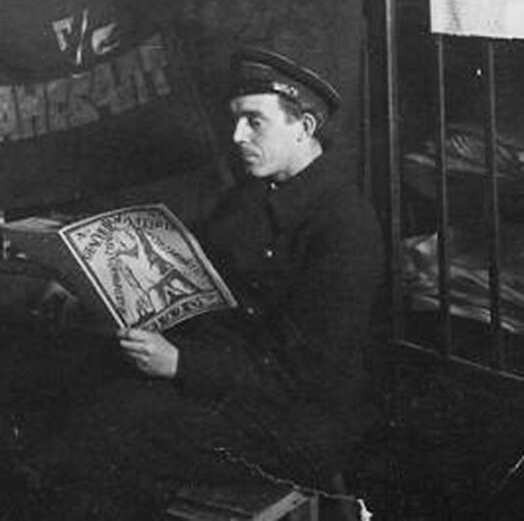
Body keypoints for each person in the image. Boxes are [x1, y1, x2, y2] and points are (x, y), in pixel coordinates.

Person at [31, 47, 384, 519]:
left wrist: (182, 363)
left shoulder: (344, 224)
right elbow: (183, 276)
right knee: (62, 377)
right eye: (236, 121)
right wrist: (84, 286)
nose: (237, 137)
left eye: (254, 122)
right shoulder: (249, 194)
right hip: (227, 386)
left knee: (111, 424)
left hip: (292, 423)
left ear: (304, 128)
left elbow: (309, 376)